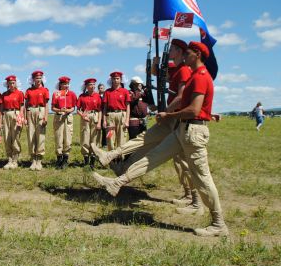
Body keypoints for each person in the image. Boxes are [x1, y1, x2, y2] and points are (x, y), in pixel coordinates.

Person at [92, 41, 228, 237]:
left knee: (203, 178)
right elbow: (194, 104)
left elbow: (194, 109)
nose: (186, 56)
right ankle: (118, 182)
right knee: (152, 157)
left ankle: (218, 223)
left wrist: (169, 115)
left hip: (192, 132)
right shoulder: (194, 76)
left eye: (188, 52)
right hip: (183, 129)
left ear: (196, 54)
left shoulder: (200, 77)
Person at [92, 38, 196, 206]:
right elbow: (157, 74)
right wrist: (154, 63)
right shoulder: (176, 69)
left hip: (175, 119)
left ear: (179, 52)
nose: (169, 51)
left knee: (180, 160)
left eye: (172, 49)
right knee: (145, 140)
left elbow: (181, 96)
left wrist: (167, 112)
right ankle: (111, 156)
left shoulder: (183, 70)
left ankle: (192, 196)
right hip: (171, 119)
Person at [24, 70, 49, 171]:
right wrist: (25, 117)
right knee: (31, 136)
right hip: (30, 111)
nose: (38, 80)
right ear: (33, 79)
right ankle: (33, 159)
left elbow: (46, 105)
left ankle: (39, 160)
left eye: (40, 78)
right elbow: (25, 105)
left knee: (40, 136)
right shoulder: (29, 90)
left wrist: (46, 117)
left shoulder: (45, 90)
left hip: (40, 111)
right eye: (36, 78)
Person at [52, 76, 77, 169]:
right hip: (59, 117)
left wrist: (69, 110)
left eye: (67, 84)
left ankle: (65, 159)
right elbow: (52, 108)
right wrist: (59, 110)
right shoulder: (56, 94)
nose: (66, 86)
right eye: (64, 84)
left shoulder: (72, 94)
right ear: (60, 85)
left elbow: (74, 107)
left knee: (68, 138)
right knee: (59, 138)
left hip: (68, 117)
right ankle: (59, 159)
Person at [77, 78, 102, 168]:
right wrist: (82, 116)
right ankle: (86, 160)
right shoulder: (82, 96)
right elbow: (78, 110)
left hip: (94, 116)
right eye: (90, 85)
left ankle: (93, 160)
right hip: (85, 116)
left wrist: (99, 122)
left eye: (94, 84)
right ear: (86, 86)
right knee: (85, 138)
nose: (93, 86)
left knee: (94, 138)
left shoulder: (98, 96)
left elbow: (100, 110)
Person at [1, 75, 25, 169]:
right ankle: (9, 159)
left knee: (15, 137)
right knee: (7, 137)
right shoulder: (4, 94)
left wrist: (20, 117)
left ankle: (15, 160)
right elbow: (1, 108)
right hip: (6, 114)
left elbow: (22, 106)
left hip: (16, 113)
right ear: (7, 84)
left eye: (13, 83)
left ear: (16, 83)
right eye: (10, 83)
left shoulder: (20, 93)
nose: (11, 84)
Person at [103, 71, 130, 151]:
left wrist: (127, 120)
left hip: (122, 114)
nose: (116, 80)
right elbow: (104, 107)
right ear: (111, 80)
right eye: (114, 79)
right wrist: (104, 120)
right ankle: (112, 158)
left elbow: (128, 106)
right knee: (110, 137)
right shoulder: (107, 92)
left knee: (121, 137)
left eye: (117, 78)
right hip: (110, 115)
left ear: (121, 80)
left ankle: (120, 158)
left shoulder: (125, 91)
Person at [97, 83, 107, 147]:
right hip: (98, 114)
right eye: (100, 88)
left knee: (105, 130)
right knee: (98, 130)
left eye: (102, 88)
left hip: (105, 114)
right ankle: (97, 143)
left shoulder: (106, 95)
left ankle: (104, 143)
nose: (101, 89)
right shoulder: (96, 95)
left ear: (104, 88)